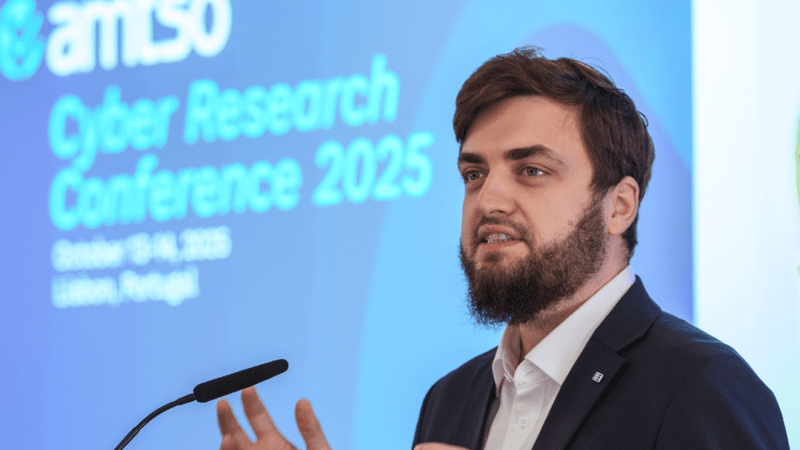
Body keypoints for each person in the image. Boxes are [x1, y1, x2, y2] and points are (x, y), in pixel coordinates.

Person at [215, 47, 790, 450]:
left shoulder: (699, 385)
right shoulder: (452, 398)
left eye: (531, 170)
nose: (489, 199)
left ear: (619, 205)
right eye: (473, 174)